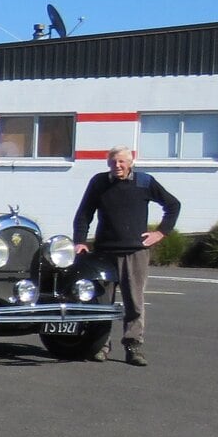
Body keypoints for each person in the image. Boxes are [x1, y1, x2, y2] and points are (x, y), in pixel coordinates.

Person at [73, 145, 181, 366]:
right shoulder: (99, 182)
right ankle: (101, 345)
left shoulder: (144, 182)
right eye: (113, 162)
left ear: (131, 162)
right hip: (104, 253)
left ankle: (133, 347)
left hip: (134, 252)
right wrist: (80, 242)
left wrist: (161, 232)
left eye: (122, 162)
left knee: (134, 302)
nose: (117, 166)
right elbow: (84, 213)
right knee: (102, 303)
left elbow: (173, 205)